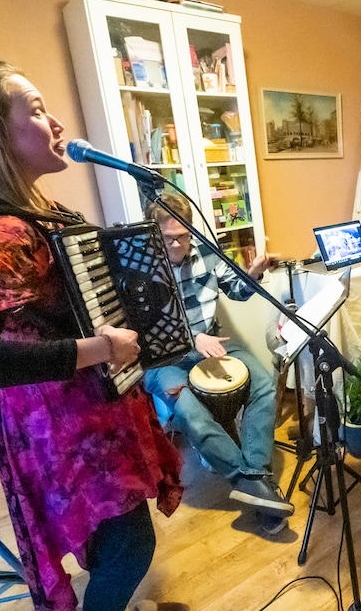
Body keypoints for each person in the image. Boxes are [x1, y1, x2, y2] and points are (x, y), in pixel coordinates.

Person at [0, 56, 182, 611]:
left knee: (114, 545)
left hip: (68, 421)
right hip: (67, 432)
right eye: (36, 110)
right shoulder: (1, 228)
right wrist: (101, 349)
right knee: (129, 548)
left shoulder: (21, 210)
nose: (56, 123)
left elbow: (57, 295)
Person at [142, 192, 293, 534]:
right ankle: (252, 483)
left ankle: (255, 474)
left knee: (264, 383)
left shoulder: (205, 251)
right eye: (169, 238)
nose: (178, 244)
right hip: (163, 356)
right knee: (189, 410)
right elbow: (142, 326)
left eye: (184, 235)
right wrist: (193, 340)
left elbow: (236, 291)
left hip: (212, 340)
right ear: (153, 234)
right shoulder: (139, 266)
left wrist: (252, 274)